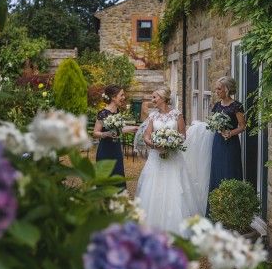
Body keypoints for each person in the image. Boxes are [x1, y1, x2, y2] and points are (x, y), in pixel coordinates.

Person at [136, 87, 201, 236]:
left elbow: (183, 135)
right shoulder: (153, 116)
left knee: (176, 189)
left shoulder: (177, 115)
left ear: (164, 98)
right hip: (156, 158)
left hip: (173, 158)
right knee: (153, 189)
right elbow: (146, 136)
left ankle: (176, 229)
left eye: (154, 97)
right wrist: (155, 145)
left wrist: (172, 143)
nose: (152, 100)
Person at [206, 76, 246, 215]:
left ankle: (232, 213)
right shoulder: (217, 105)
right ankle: (216, 211)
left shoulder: (236, 106)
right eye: (216, 88)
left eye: (219, 88)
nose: (216, 91)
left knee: (230, 172)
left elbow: (242, 126)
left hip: (231, 144)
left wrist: (231, 133)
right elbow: (212, 123)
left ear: (227, 90)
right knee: (217, 173)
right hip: (218, 142)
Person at [93, 84, 138, 187]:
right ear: (113, 97)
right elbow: (95, 133)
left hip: (116, 149)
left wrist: (134, 128)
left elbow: (119, 130)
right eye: (121, 95)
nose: (123, 98)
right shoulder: (103, 113)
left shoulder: (117, 112)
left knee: (118, 175)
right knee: (105, 178)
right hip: (105, 150)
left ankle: (118, 200)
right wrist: (106, 134)